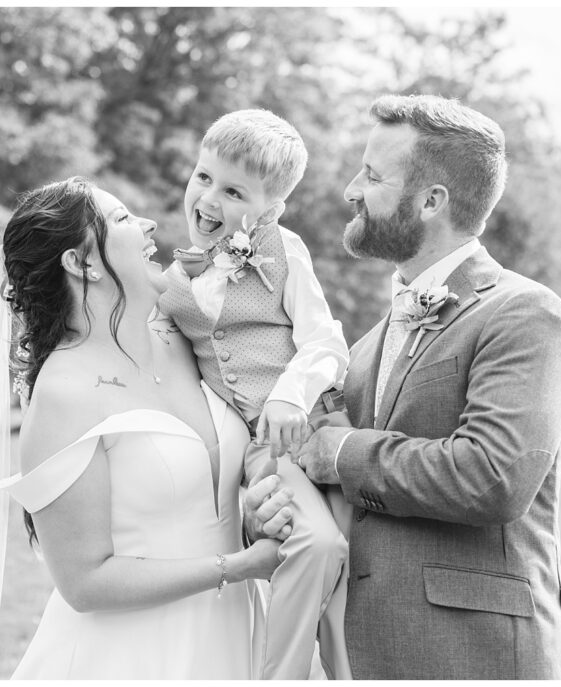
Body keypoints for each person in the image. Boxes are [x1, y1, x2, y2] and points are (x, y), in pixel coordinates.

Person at [0, 177, 293, 679]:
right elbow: (84, 582)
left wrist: (252, 519)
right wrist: (238, 568)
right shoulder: (64, 393)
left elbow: (206, 494)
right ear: (82, 263)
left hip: (228, 637)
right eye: (124, 220)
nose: (149, 224)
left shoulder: (182, 340)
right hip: (127, 656)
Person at [293, 94, 561, 679]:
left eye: (372, 176)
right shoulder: (367, 343)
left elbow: (493, 476)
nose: (351, 189)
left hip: (478, 654)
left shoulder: (526, 314)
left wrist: (343, 452)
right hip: (370, 652)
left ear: (431, 201)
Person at [158, 109, 353, 680]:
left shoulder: (283, 250)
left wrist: (289, 395)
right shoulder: (172, 282)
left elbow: (327, 341)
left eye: (233, 190)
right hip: (264, 453)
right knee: (316, 547)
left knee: (347, 586)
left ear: (270, 208)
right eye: (203, 177)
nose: (208, 199)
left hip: (317, 427)